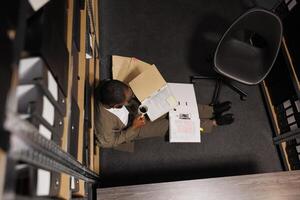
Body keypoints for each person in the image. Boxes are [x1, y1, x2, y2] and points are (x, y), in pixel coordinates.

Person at [94, 80, 234, 152]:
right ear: (116, 106)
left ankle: (211, 110)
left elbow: (129, 97)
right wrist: (133, 127)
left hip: (137, 111)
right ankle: (214, 122)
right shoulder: (103, 123)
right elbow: (108, 143)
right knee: (173, 125)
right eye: (127, 99)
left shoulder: (109, 86)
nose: (129, 98)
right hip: (133, 127)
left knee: (174, 106)